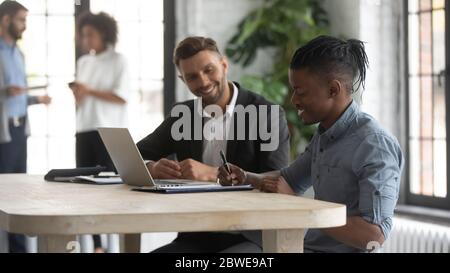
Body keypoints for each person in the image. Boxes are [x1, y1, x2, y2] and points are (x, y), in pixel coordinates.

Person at [219, 35, 404, 253]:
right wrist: (246, 177)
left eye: (301, 91)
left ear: (333, 90)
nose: (294, 100)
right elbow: (288, 180)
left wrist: (301, 208)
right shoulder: (325, 134)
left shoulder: (375, 145)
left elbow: (373, 235)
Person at [136, 36, 290, 252]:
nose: (203, 82)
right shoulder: (183, 115)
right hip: (197, 235)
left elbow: (279, 181)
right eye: (192, 77)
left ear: (224, 65)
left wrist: (212, 174)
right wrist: (152, 168)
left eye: (209, 70)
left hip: (251, 236)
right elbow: (133, 154)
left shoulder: (267, 114)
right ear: (183, 80)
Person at [70, 11, 131, 253]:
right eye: (83, 36)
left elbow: (121, 97)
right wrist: (79, 93)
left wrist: (89, 90)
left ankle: (119, 241)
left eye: (90, 35)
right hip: (84, 129)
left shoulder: (119, 60)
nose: (85, 40)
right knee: (85, 187)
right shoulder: (83, 62)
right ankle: (97, 246)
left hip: (109, 131)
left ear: (104, 33)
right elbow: (84, 99)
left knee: (111, 187)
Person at [0, 0, 51, 253]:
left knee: (17, 194)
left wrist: (35, 99)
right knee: (3, 193)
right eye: (21, 20)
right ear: (7, 20)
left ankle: (18, 250)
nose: (25, 26)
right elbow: (5, 93)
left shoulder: (18, 54)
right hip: (3, 132)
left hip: (20, 130)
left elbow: (17, 94)